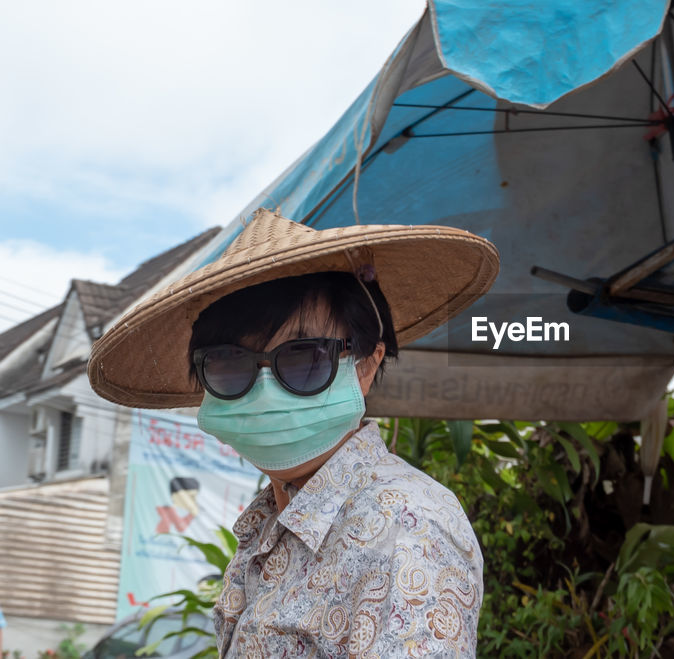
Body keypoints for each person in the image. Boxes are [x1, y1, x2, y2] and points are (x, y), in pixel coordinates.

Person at [88, 209, 500, 658]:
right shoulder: (271, 523)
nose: (265, 391)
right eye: (229, 363)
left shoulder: (406, 526)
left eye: (305, 357)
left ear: (366, 366)